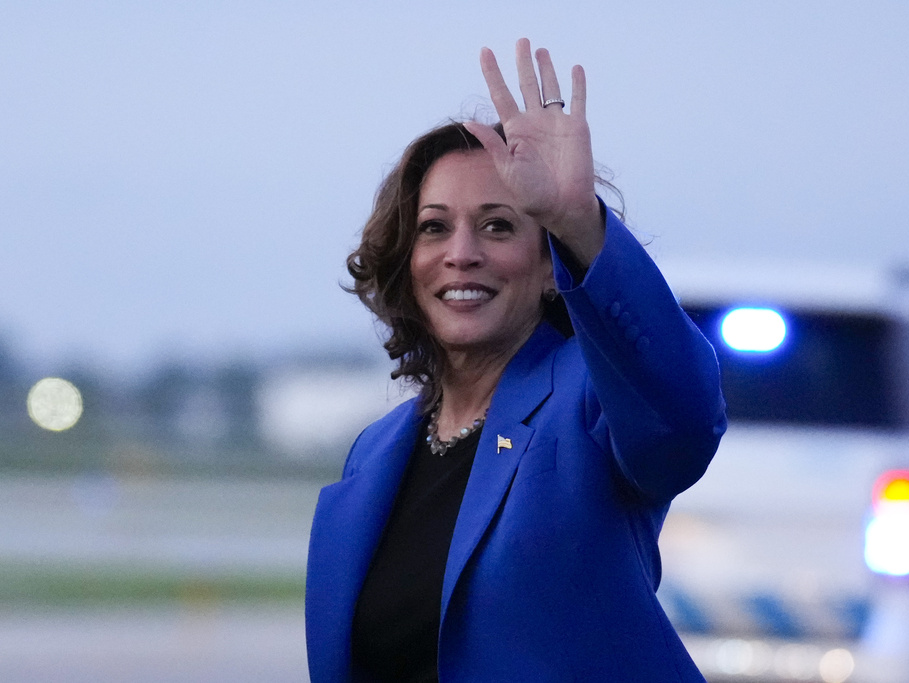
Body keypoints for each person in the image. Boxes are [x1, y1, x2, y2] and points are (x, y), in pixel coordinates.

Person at [305, 39, 727, 682]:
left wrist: (578, 221)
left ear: (549, 268)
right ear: (407, 260)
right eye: (434, 227)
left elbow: (684, 421)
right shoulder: (376, 451)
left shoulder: (590, 405)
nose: (462, 252)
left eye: (499, 226)